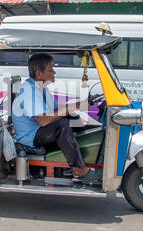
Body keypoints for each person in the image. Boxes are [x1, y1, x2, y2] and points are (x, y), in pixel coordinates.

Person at [12, 53, 103, 183]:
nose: (54, 72)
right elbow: (43, 120)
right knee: (62, 125)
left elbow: (57, 110)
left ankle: (88, 156)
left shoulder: (42, 89)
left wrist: (77, 105)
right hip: (30, 137)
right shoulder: (29, 91)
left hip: (39, 131)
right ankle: (78, 169)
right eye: (50, 70)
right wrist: (75, 106)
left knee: (72, 118)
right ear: (39, 74)